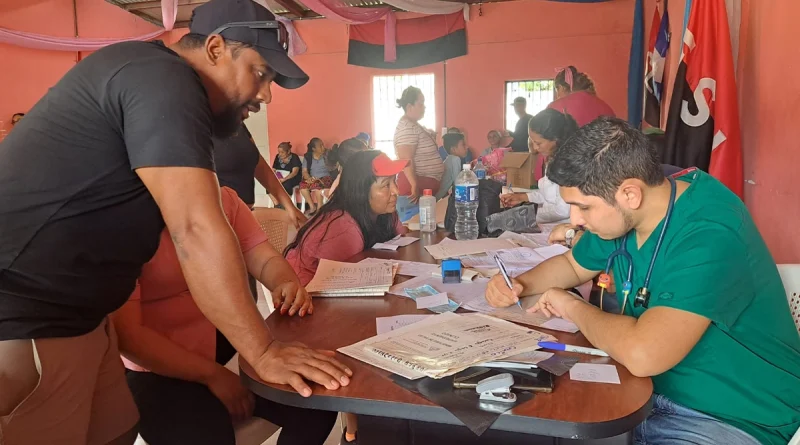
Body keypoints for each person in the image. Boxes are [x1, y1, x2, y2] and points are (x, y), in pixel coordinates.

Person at [0, 0, 352, 443]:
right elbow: (196, 228)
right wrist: (263, 351)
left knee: (118, 432)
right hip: (27, 313)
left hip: (85, 317)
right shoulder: (161, 78)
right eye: (260, 73)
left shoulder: (153, 83)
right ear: (216, 48)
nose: (266, 95)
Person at [485, 117, 800, 445]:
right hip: (641, 395)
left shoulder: (709, 233)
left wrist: (572, 306)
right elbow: (572, 265)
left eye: (583, 207)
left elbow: (644, 354)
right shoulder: (625, 213)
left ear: (630, 194)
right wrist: (520, 284)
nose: (575, 221)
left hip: (732, 416)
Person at [113, 187, 336, 445]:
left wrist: (284, 282)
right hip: (156, 370)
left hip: (230, 346)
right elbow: (128, 336)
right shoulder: (119, 217)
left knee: (316, 402)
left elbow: (262, 257)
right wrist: (214, 376)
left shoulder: (222, 198)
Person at [285, 150, 407, 444]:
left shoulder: (382, 215)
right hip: (306, 314)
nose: (395, 191)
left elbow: (400, 246)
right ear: (360, 190)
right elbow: (339, 297)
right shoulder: (342, 227)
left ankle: (357, 427)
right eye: (384, 185)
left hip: (340, 304)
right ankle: (357, 428)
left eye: (394, 181)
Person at [215, 124, 306, 227]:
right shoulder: (197, 124)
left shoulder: (236, 122)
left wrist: (289, 206)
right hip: (219, 220)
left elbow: (258, 163)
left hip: (245, 215)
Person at [499, 109, 577, 224]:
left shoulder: (569, 164)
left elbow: (563, 210)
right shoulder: (552, 158)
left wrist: (530, 214)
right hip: (550, 226)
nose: (535, 148)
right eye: (532, 142)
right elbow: (548, 194)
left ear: (556, 140)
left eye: (539, 143)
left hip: (566, 227)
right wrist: (523, 197)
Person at [394, 86, 444, 205]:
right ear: (409, 107)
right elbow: (405, 158)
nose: (424, 107)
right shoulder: (407, 127)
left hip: (426, 186)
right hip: (413, 190)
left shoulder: (413, 125)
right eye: (421, 103)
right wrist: (414, 184)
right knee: (414, 222)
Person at [548, 66, 616, 127]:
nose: (558, 95)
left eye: (557, 90)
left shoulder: (555, 107)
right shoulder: (605, 107)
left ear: (561, 87)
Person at [299, 137, 333, 215]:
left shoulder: (327, 154)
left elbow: (334, 167)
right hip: (313, 178)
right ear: (314, 149)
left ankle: (319, 209)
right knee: (302, 186)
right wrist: (309, 178)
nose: (323, 147)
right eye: (320, 146)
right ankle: (312, 207)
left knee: (318, 186)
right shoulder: (308, 157)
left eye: (323, 145)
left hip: (326, 178)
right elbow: (304, 171)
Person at [435, 133, 468, 200]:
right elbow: (457, 183)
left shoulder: (449, 159)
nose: (466, 147)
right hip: (438, 198)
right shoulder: (456, 159)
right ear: (453, 149)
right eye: (463, 145)